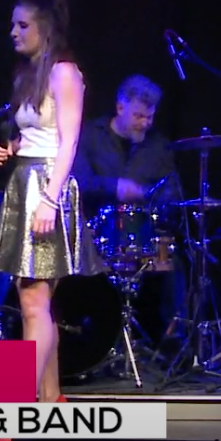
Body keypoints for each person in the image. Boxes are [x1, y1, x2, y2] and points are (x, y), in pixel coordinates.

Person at [0, 0, 100, 441]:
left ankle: (21, 413)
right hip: (25, 181)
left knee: (33, 302)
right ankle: (51, 399)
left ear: (45, 28)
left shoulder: (64, 73)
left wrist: (50, 200)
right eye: (12, 25)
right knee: (35, 301)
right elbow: (34, 134)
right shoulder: (29, 75)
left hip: (47, 187)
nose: (13, 32)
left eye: (22, 25)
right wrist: (8, 149)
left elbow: (68, 141)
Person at [72, 75, 184, 338]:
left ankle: (171, 338)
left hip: (143, 232)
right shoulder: (90, 135)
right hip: (95, 232)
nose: (145, 123)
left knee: (176, 261)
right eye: (138, 116)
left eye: (150, 117)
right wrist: (115, 187)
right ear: (120, 107)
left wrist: (150, 196)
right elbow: (78, 181)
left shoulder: (158, 145)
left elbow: (173, 190)